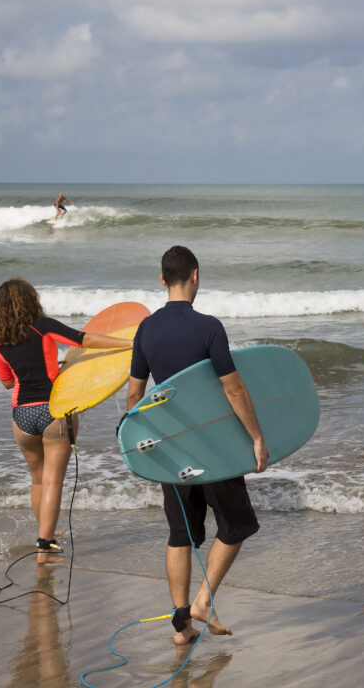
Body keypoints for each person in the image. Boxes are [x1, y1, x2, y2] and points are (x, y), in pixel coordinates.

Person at [126, 245, 270, 645]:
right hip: (214, 447)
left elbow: (135, 394)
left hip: (171, 449)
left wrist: (145, 443)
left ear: (161, 279)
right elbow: (233, 388)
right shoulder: (209, 327)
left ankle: (181, 627)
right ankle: (202, 603)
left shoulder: (146, 329)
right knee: (238, 524)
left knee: (181, 534)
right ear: (195, 275)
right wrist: (257, 437)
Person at [0, 278, 132, 563]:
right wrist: (130, 343)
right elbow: (85, 340)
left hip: (21, 415)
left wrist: (38, 367)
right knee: (54, 481)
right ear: (30, 299)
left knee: (38, 480)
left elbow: (8, 382)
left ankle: (47, 535)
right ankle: (46, 548)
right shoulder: (42, 326)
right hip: (55, 410)